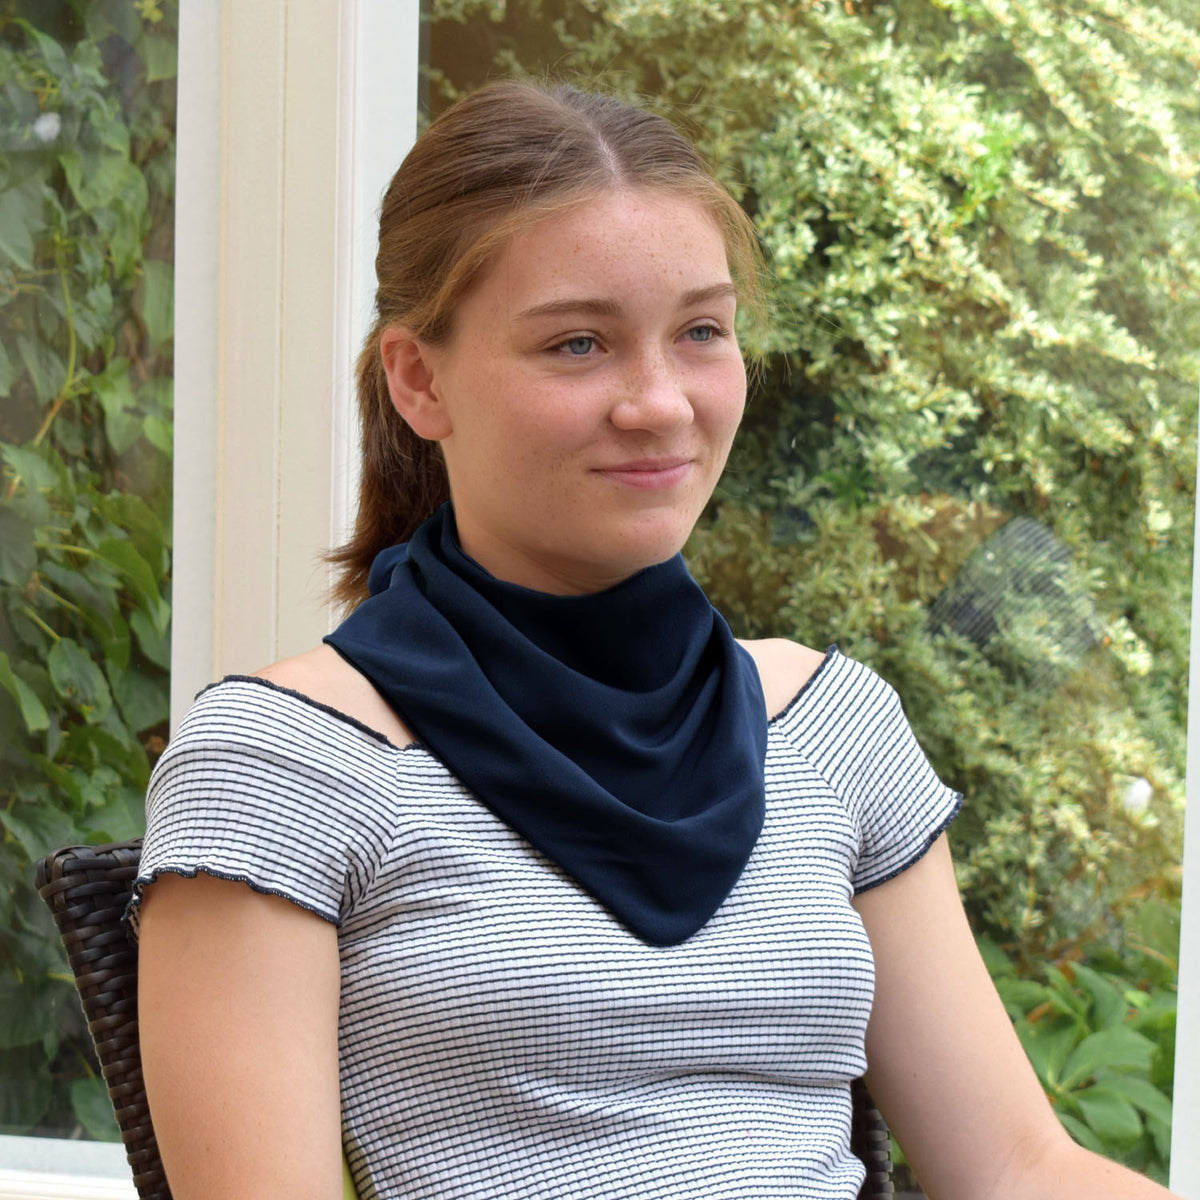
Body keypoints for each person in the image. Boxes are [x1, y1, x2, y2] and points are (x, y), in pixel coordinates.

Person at [132, 81, 1182, 1200]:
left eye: (700, 332)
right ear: (419, 379)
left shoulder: (832, 726)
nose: (661, 402)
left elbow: (1018, 1167)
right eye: (579, 343)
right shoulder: (282, 766)